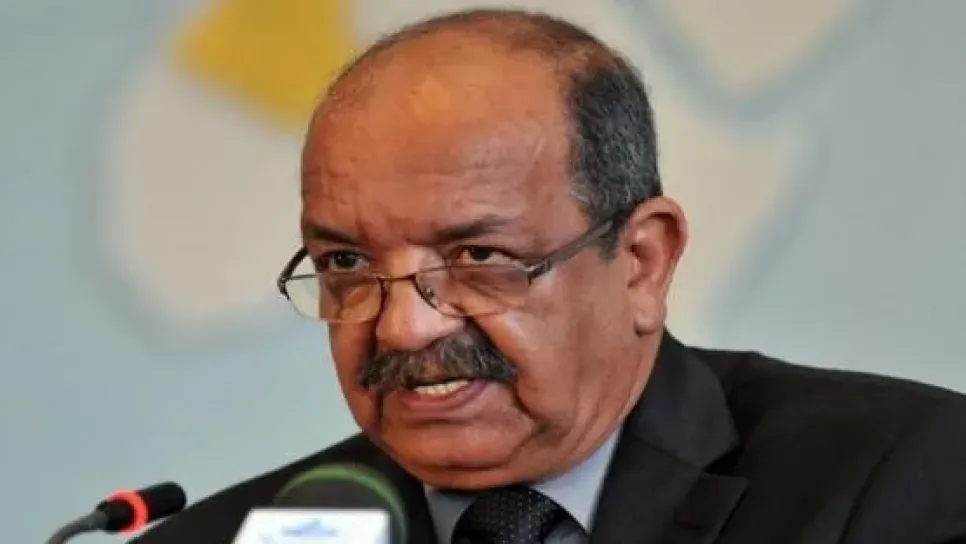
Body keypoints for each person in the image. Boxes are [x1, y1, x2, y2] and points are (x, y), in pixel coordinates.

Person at [134, 8, 966, 544]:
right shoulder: (231, 539)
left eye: (478, 258)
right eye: (346, 263)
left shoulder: (898, 484)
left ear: (641, 262)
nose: (404, 327)